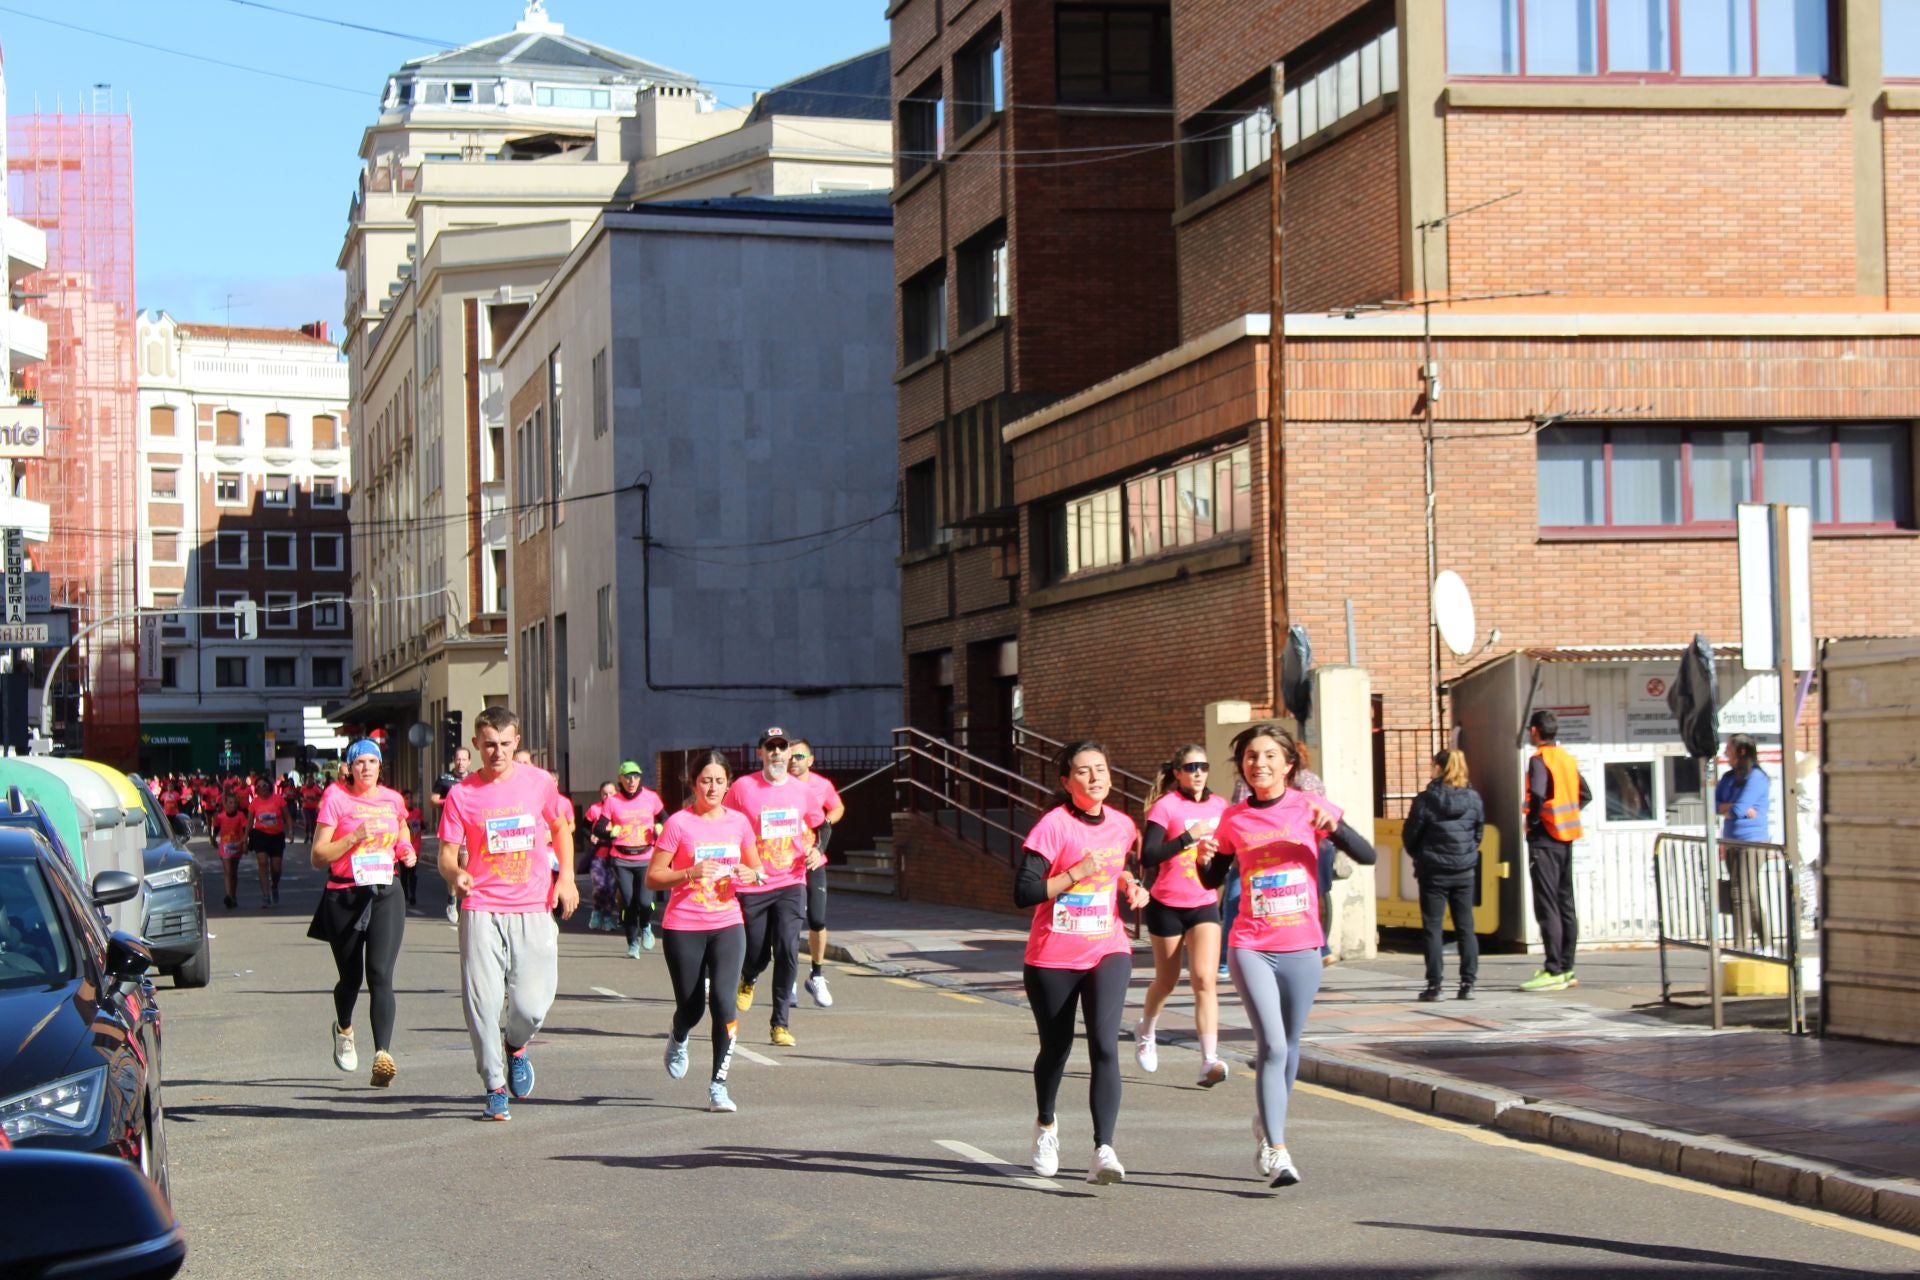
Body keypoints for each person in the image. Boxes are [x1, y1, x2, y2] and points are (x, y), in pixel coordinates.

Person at [1199, 722, 1376, 1188]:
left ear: (1288, 764)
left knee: (1291, 1046)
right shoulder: (1234, 819)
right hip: (1250, 943)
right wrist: (1206, 858)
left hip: (1302, 945)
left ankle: (1266, 1122)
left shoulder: (1309, 807)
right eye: (1251, 756)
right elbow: (1211, 880)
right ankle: (1278, 1151)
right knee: (1273, 1045)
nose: (1260, 764)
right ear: (1242, 766)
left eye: (1269, 756)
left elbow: (1368, 854)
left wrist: (1333, 829)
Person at [1014, 740, 1149, 1186]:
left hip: (1106, 947)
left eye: (1101, 769)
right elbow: (1024, 892)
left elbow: (1118, 869)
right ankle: (1046, 1125)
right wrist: (1075, 873)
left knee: (1105, 1045)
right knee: (1056, 1049)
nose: (1095, 778)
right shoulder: (1053, 827)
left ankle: (1103, 1149)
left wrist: (1131, 886)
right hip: (1053, 955)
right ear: (1066, 782)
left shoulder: (1123, 825)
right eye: (1084, 771)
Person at [437, 707, 577, 1121]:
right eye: (489, 744)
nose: (496, 752)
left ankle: (516, 1044)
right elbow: (446, 854)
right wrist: (457, 873)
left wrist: (566, 878)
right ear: (477, 744)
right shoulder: (462, 794)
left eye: (504, 744)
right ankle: (494, 1085)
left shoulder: (538, 782)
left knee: (532, 1006)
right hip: (481, 906)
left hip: (532, 906)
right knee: (482, 1002)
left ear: (517, 743)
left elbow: (560, 828)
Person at [649, 749, 766, 1113]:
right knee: (692, 1007)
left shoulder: (739, 823)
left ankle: (719, 1085)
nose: (712, 787)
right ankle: (679, 1035)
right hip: (684, 924)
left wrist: (752, 875)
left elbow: (757, 869)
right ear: (694, 783)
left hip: (728, 923)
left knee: (724, 1003)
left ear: (728, 784)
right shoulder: (679, 824)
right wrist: (689, 873)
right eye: (705, 781)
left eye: (718, 781)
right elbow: (653, 876)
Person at [307, 739, 415, 1088]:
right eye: (359, 762)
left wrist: (407, 849)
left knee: (381, 973)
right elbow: (318, 856)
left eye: (372, 761)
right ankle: (344, 1027)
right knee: (351, 978)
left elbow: (401, 830)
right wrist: (353, 837)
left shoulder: (392, 799)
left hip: (386, 892)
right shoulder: (336, 799)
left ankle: (383, 1055)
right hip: (345, 894)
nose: (366, 768)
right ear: (349, 768)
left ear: (380, 766)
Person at [1134, 744, 1230, 1086]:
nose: (1198, 773)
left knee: (1205, 979)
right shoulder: (1166, 806)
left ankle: (1209, 1060)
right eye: (1190, 768)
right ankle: (1146, 1029)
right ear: (1177, 773)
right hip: (1167, 903)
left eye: (1203, 766)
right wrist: (1189, 838)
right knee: (1167, 980)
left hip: (1203, 901)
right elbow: (1149, 855)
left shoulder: (1221, 806)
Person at [727, 728, 825, 1048]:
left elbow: (819, 825)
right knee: (756, 951)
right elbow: (725, 823)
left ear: (789, 754)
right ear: (761, 753)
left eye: (782, 748)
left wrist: (816, 849)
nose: (777, 754)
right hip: (753, 883)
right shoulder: (743, 788)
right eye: (770, 748)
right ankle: (749, 976)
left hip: (791, 881)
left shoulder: (802, 791)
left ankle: (779, 1024)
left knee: (787, 949)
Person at [1402, 749, 1485, 1002]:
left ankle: (1435, 986)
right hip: (1464, 870)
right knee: (1466, 927)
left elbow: (1410, 835)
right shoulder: (1473, 798)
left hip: (1433, 871)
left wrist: (1421, 855)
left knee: (1433, 928)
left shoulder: (1426, 800)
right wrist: (1466, 854)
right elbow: (1478, 832)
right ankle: (1468, 983)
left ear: (1439, 768)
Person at [1522, 709, 1590, 992]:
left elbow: (1537, 793)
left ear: (1535, 731)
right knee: (1565, 904)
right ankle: (1567, 967)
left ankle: (1552, 969)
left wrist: (1533, 819)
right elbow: (1586, 794)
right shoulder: (1566, 759)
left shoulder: (1540, 760)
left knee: (1547, 904)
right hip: (1566, 838)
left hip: (1545, 838)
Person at [788, 737, 844, 1008]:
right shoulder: (779, 786)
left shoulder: (821, 785)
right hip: (785, 863)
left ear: (810, 760)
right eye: (790, 756)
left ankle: (817, 975)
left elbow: (837, 807)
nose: (793, 761)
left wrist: (825, 823)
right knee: (788, 922)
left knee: (817, 919)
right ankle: (788, 981)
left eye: (799, 756)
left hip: (813, 860)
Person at [597, 761, 665, 958]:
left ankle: (645, 926)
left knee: (644, 902)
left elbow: (666, 819)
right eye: (627, 776)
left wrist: (659, 828)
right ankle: (632, 942)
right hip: (621, 859)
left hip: (645, 857)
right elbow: (598, 828)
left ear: (640, 778)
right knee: (628, 902)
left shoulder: (651, 798)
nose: (631, 780)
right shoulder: (613, 801)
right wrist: (611, 833)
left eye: (635, 776)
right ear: (620, 779)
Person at [1715, 734, 1772, 948]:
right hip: (1732, 840)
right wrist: (1732, 808)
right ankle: (1766, 944)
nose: (1725, 753)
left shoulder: (1757, 777)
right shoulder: (1729, 777)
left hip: (1751, 842)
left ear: (1741, 751)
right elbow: (1713, 803)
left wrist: (1732, 808)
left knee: (1740, 893)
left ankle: (1740, 945)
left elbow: (1738, 810)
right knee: (1750, 894)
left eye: (1728, 749)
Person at [433, 747, 472, 924]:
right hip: (450, 827)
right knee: (453, 867)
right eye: (458, 759)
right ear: (454, 761)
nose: (461, 763)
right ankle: (451, 899)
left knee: (465, 866)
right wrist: (448, 801)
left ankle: (465, 904)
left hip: (468, 828)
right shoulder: (444, 779)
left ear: (469, 762)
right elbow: (433, 799)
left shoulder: (474, 779)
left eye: (464, 760)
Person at [247, 777, 291, 907]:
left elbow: (287, 816)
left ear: (270, 786)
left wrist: (291, 831)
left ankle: (274, 885)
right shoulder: (254, 803)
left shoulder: (278, 799)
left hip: (276, 836)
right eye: (259, 786)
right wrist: (245, 838)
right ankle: (265, 896)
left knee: (276, 868)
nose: (262, 788)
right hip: (260, 835)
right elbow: (250, 821)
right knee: (262, 863)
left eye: (265, 785)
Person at [584, 781, 620, 932]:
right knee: (600, 886)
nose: (608, 796)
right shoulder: (595, 809)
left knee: (611, 888)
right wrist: (591, 836)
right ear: (600, 795)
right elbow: (584, 826)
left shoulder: (620, 809)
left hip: (614, 855)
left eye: (611, 793)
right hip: (598, 855)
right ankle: (597, 912)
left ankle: (606, 917)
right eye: (605, 793)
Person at [211, 791, 254, 911]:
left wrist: (245, 843)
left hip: (237, 846)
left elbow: (246, 831)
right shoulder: (221, 816)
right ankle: (228, 896)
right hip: (225, 847)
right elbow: (216, 829)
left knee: (234, 872)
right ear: (225, 804)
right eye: (230, 802)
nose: (233, 805)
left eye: (235, 802)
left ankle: (233, 896)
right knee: (227, 872)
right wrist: (213, 838)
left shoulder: (240, 816)